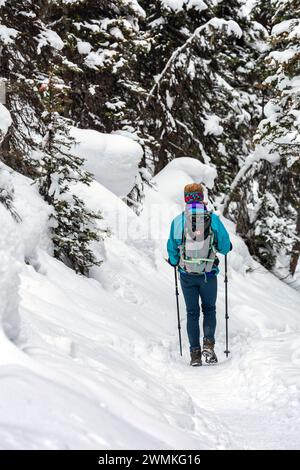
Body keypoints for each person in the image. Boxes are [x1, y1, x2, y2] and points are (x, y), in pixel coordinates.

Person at [167, 183, 232, 366]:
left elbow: (172, 250)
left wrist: (174, 261)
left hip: (187, 274)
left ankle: (195, 355)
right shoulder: (212, 219)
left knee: (192, 313)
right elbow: (225, 247)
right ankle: (208, 347)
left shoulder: (178, 221)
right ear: (201, 197)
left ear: (186, 199)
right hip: (208, 274)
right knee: (209, 310)